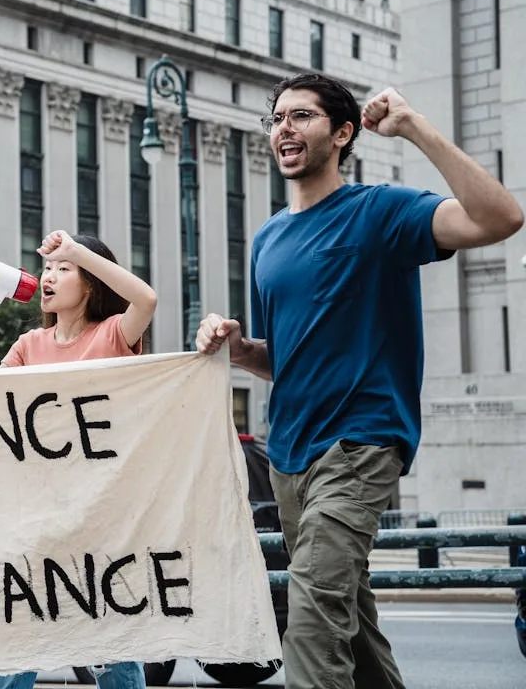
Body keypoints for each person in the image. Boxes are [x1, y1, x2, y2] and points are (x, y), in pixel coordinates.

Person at [195, 74, 523, 689]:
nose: (283, 130)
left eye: (301, 117)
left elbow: (501, 217)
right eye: (277, 120)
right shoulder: (266, 239)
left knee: (312, 620)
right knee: (350, 627)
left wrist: (414, 126)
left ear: (343, 133)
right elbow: (284, 358)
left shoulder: (381, 212)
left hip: (361, 444)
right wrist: (240, 351)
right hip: (290, 458)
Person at [0, 230, 158, 689]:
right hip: (36, 521)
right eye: (47, 268)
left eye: (63, 269)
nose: (48, 277)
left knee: (109, 651)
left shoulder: (114, 334)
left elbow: (146, 299)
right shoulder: (30, 344)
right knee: (13, 645)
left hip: (100, 524)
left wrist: (78, 250)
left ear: (90, 283)